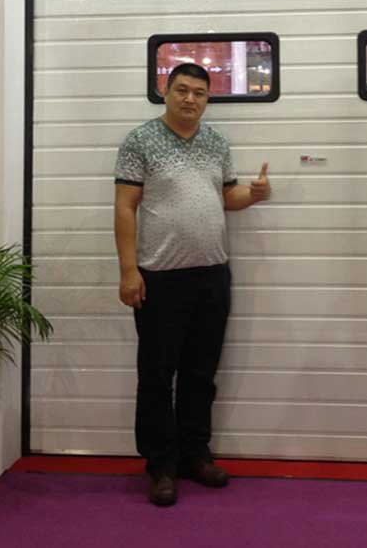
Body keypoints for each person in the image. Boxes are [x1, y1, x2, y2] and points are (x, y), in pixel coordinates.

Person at [113, 62, 270, 506]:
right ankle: (161, 465)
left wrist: (253, 194)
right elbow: (125, 207)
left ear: (206, 99)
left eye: (199, 93)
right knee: (157, 375)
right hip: (159, 278)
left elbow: (227, 196)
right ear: (166, 92)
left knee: (201, 374)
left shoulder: (216, 142)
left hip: (212, 275)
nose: (190, 99)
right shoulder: (141, 140)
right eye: (182, 90)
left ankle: (195, 455)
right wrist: (128, 270)